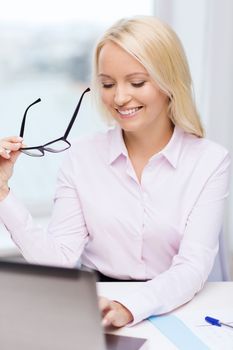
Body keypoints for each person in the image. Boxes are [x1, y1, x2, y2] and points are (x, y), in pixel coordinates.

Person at [0, 16, 230, 328]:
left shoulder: (210, 161)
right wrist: (3, 192)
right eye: (108, 84)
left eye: (137, 83)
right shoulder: (81, 157)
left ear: (169, 82)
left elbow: (192, 266)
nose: (119, 98)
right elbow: (58, 260)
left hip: (180, 308)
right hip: (100, 307)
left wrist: (129, 306)